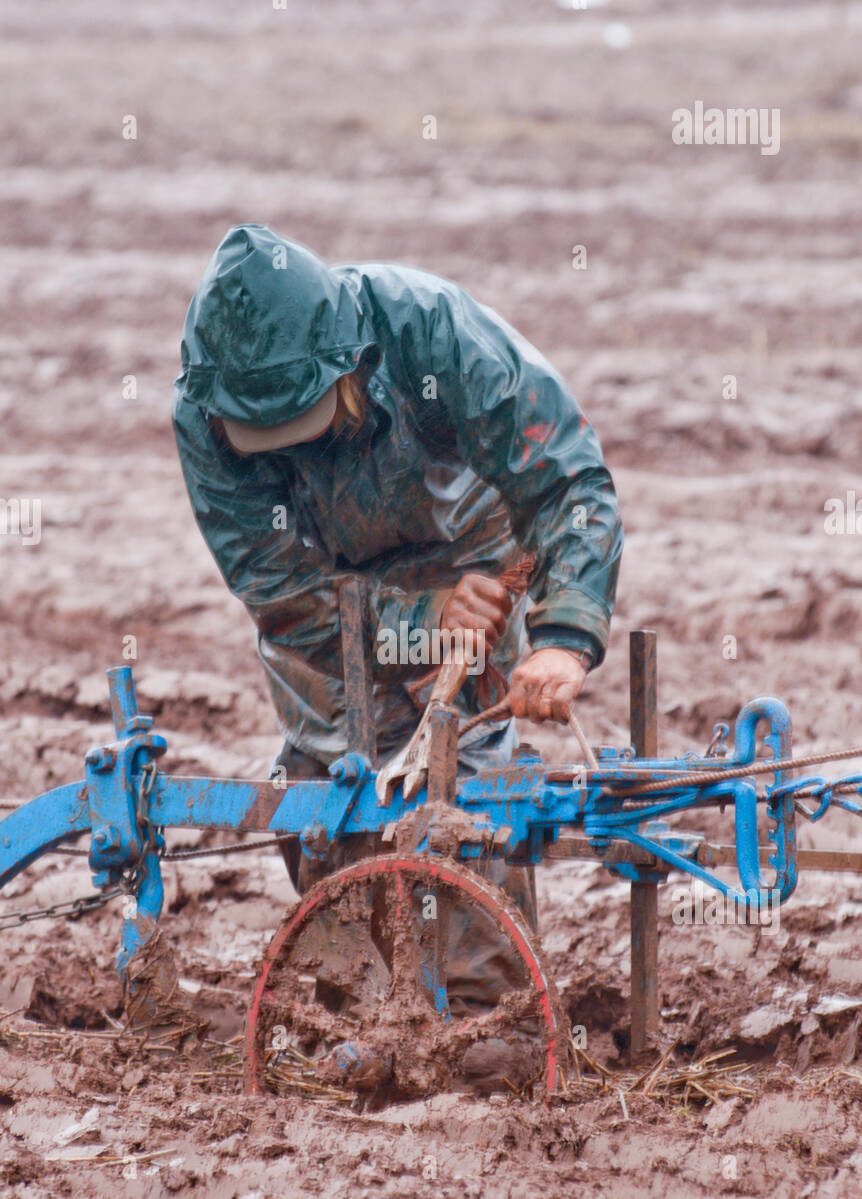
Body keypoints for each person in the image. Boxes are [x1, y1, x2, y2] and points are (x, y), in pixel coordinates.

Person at [172, 223, 623, 1018]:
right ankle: (359, 1003)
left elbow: (567, 485)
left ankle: (487, 1013)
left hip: (467, 556)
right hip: (326, 596)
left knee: (460, 775)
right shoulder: (205, 411)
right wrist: (411, 617)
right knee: (323, 782)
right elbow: (277, 590)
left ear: (349, 370)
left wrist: (563, 639)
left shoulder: (434, 335)